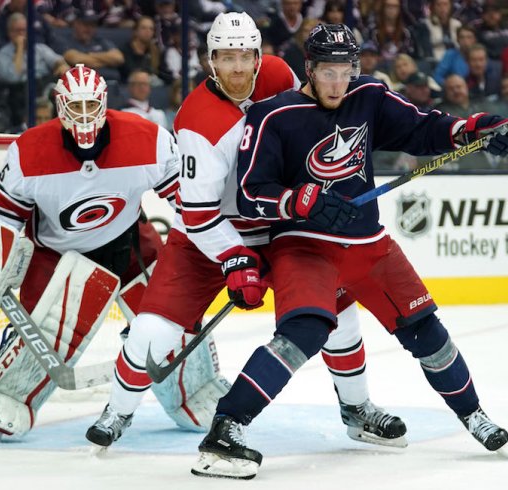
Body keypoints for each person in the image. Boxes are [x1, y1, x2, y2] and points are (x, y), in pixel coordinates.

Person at [193, 23, 508, 479]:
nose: (336, 82)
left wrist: (475, 128)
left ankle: (474, 415)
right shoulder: (272, 114)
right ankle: (226, 428)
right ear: (308, 68)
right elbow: (251, 193)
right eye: (327, 71)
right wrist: (297, 199)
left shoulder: (368, 96)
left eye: (345, 70)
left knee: (426, 331)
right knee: (304, 333)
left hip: (368, 243)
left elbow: (422, 129)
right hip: (303, 245)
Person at [86, 12, 407, 451]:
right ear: (209, 61)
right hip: (208, 237)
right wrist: (235, 258)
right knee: (151, 332)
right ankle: (117, 411)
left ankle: (356, 409)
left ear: (258, 56)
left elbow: (313, 124)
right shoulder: (196, 120)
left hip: (281, 228)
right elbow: (196, 211)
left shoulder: (279, 74)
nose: (237, 67)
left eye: (244, 56)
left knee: (339, 317)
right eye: (225, 57)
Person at [0, 64, 185, 438]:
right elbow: (1, 215)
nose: (84, 116)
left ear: (104, 104)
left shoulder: (148, 138)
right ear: (60, 106)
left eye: (92, 107)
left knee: (171, 321)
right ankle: (7, 395)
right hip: (55, 254)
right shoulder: (29, 151)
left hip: (129, 242)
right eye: (76, 107)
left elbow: (187, 201)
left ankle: (193, 391)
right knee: (41, 334)